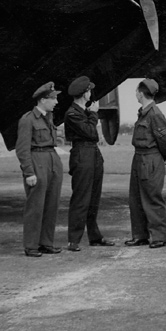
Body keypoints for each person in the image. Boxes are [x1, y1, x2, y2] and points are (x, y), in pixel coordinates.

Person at [62, 76, 114, 251]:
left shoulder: (81, 112)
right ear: (84, 94)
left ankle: (94, 236)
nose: (91, 94)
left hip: (92, 154)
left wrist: (90, 114)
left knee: (93, 199)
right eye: (89, 91)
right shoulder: (72, 114)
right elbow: (92, 133)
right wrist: (93, 114)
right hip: (82, 154)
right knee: (81, 198)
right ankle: (73, 240)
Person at [15, 81, 64, 257]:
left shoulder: (48, 117)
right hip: (37, 162)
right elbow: (22, 149)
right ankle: (31, 245)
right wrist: (29, 172)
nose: (56, 102)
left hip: (52, 161)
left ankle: (46, 243)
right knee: (35, 206)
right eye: (53, 99)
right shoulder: (28, 119)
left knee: (51, 205)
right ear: (43, 100)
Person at [125, 78, 166, 249]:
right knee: (135, 198)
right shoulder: (144, 112)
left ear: (141, 93)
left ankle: (158, 236)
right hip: (139, 158)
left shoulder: (155, 114)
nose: (135, 94)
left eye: (137, 91)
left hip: (150, 158)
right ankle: (140, 235)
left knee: (152, 197)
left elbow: (165, 140)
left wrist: (159, 157)